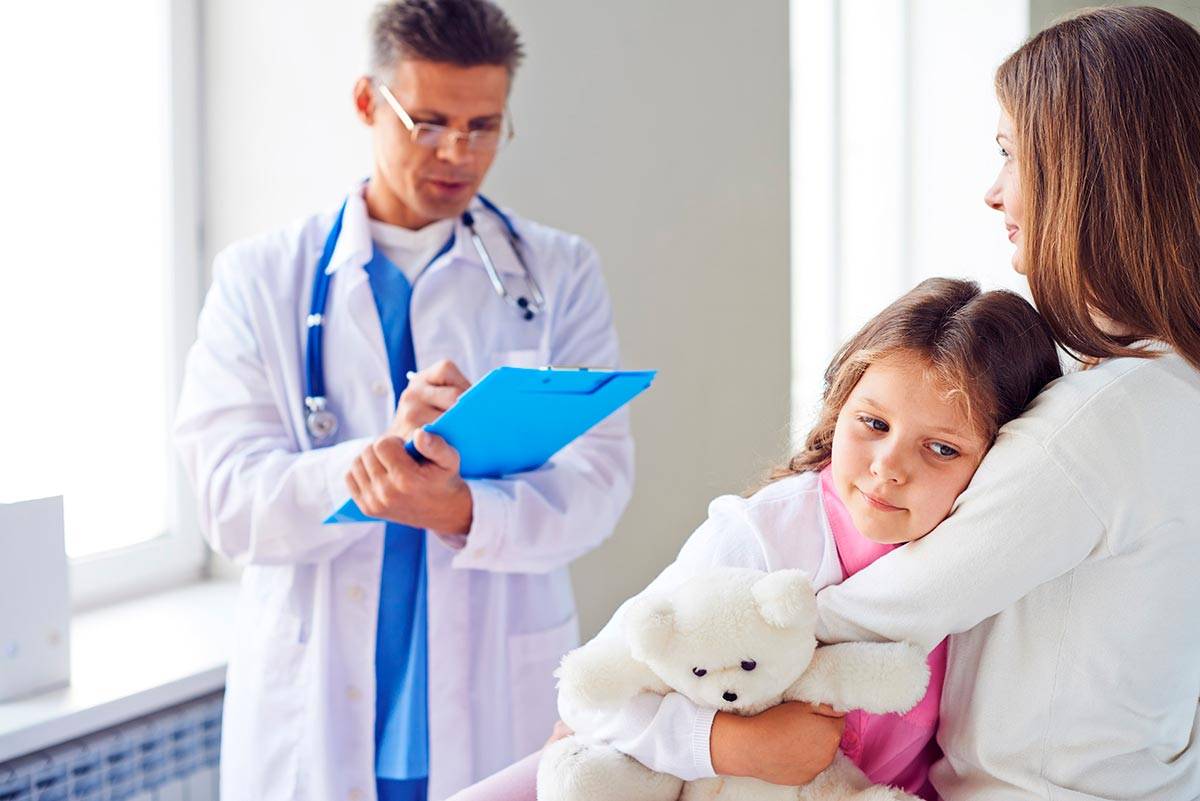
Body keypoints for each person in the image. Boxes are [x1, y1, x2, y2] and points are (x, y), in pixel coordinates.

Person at [173, 2, 634, 800]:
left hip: (493, 686)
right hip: (316, 697)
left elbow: (600, 483)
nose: (459, 153)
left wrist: (463, 509)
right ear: (367, 102)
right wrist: (374, 465)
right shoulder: (259, 278)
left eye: (483, 126)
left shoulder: (559, 273)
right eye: (429, 123)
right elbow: (226, 499)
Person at [447, 278, 1062, 800]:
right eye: (872, 423)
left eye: (942, 449)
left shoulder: (989, 565)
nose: (888, 468)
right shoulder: (762, 536)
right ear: (839, 408)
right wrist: (728, 744)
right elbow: (590, 698)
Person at [810, 7, 1200, 799]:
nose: (993, 194)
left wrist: (643, 687)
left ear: (1086, 178)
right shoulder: (1172, 386)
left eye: (1011, 155)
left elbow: (868, 617)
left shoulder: (1101, 422)